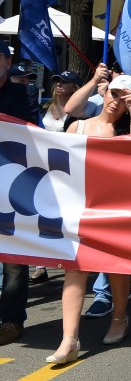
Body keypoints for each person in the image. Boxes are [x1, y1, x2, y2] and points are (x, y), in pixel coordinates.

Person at [42, 75, 131, 365]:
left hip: (115, 209)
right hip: (80, 208)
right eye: (114, 93)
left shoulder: (129, 130)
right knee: (75, 270)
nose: (116, 101)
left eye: (125, 99)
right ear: (106, 92)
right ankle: (69, 339)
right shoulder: (79, 126)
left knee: (115, 268)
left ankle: (120, 317)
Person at [0, 41, 40, 347]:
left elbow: (28, 133)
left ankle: (12, 320)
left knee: (13, 260)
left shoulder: (24, 95)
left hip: (11, 188)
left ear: (7, 61)